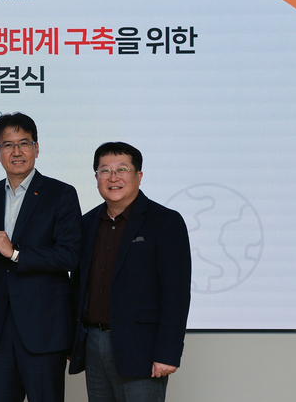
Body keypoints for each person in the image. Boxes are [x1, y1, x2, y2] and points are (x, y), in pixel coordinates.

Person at [0, 113, 82, 402]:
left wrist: (16, 252)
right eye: (7, 145)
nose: (16, 151)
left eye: (24, 143)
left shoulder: (61, 194)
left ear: (36, 148)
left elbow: (69, 255)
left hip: (43, 328)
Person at [69, 142, 191, 402]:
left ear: (139, 175)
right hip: (93, 342)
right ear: (96, 177)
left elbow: (176, 293)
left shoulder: (165, 222)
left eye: (122, 169)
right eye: (105, 171)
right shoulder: (86, 223)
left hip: (142, 348)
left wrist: (168, 353)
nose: (113, 178)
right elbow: (77, 285)